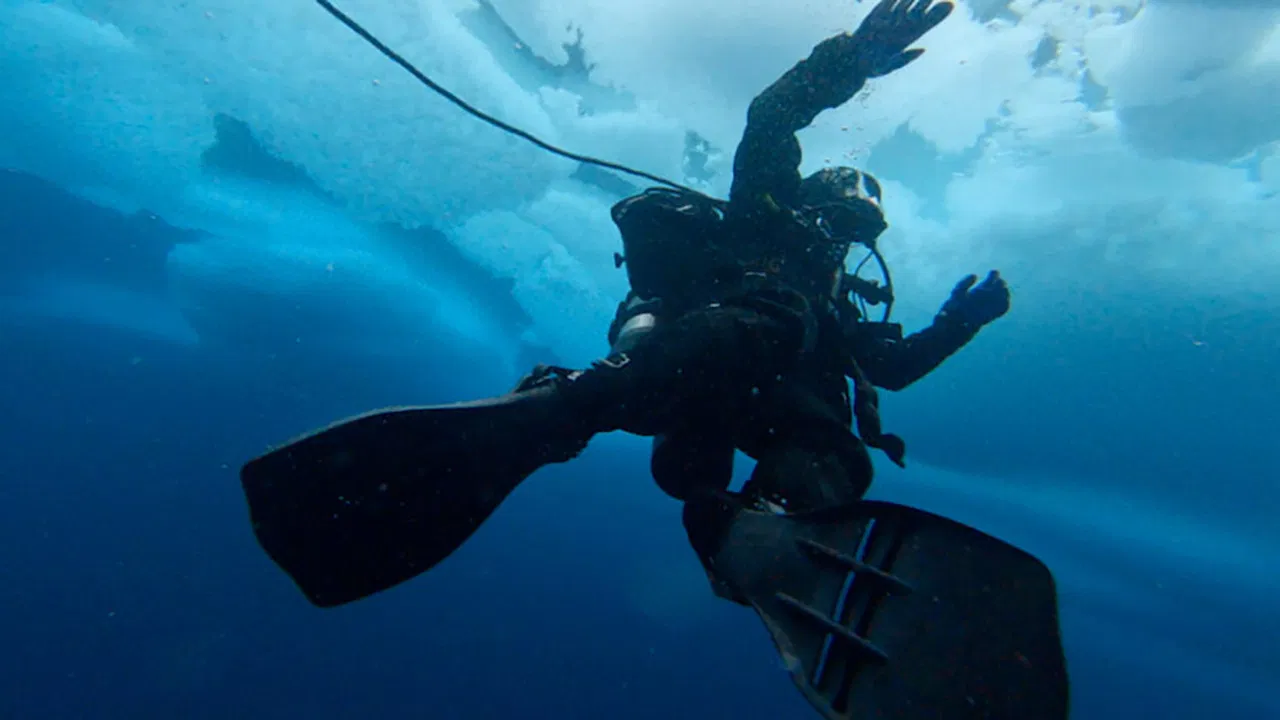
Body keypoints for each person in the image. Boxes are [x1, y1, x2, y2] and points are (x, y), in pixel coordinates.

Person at [240, 1, 1068, 717]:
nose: (842, 243)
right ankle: (570, 408)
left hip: (747, 404)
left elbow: (890, 370)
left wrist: (963, 321)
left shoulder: (841, 313)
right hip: (693, 362)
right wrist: (853, 57)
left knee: (832, 445)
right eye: (842, 223)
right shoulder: (766, 219)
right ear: (820, 206)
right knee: (774, 321)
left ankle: (754, 527)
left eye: (854, 235)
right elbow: (772, 120)